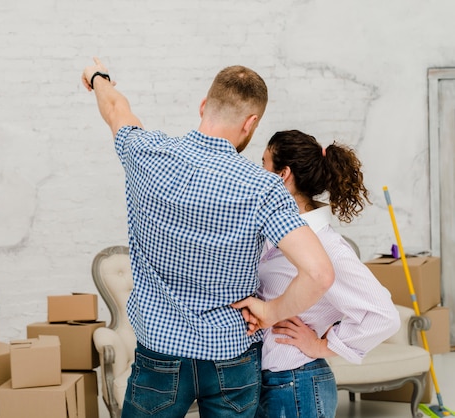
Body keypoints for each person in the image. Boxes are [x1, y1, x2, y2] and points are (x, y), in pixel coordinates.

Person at [81, 57, 335, 418]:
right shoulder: (263, 187)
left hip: (160, 353)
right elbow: (320, 273)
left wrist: (98, 78)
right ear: (251, 123)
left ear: (204, 105)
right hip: (232, 357)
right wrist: (268, 313)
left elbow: (115, 109)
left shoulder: (145, 154)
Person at [255, 130, 401, 418]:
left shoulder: (328, 246)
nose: (258, 172)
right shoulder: (280, 233)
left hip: (298, 384)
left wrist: (321, 345)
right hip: (274, 382)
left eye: (264, 164)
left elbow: (384, 315)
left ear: (283, 174)